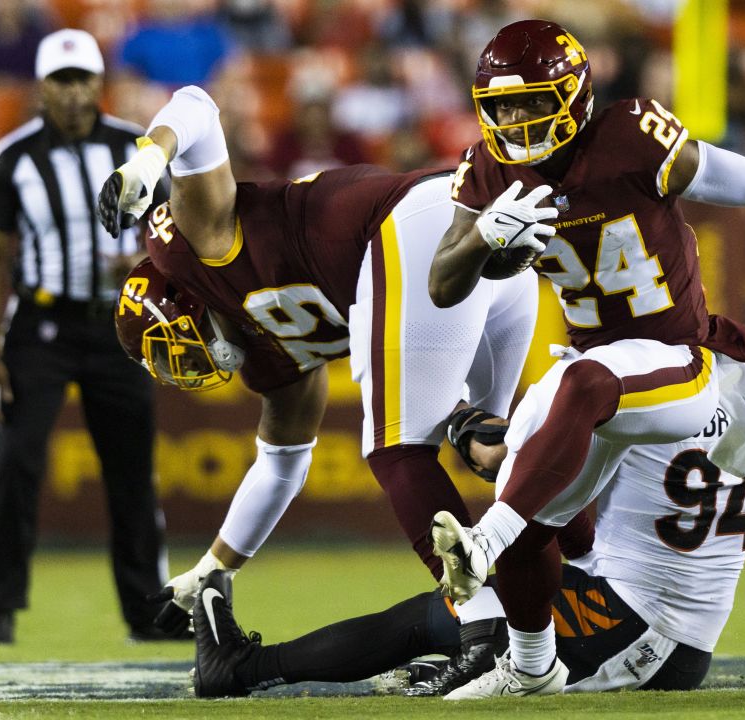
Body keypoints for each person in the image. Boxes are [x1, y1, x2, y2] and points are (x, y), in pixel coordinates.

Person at [425, 19, 745, 698]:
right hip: (604, 365)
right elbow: (442, 285)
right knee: (541, 520)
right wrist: (481, 236)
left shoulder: (628, 137)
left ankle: (485, 540)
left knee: (575, 387)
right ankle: (531, 667)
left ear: (573, 92)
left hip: (678, 364)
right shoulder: (486, 167)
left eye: (534, 100)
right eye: (504, 105)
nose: (517, 118)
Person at [97, 84, 537, 688]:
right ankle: (590, 580)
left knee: (396, 447)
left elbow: (196, 106)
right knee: (495, 454)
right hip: (473, 243)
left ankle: (483, 629)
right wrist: (216, 567)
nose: (185, 364)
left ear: (187, 298)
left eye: (174, 344)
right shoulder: (271, 360)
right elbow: (280, 466)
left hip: (420, 228)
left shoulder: (198, 244)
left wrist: (147, 159)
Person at [187, 357, 745, 698]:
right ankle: (255, 666)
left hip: (634, 632)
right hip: (667, 626)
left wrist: (462, 423)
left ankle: (247, 669)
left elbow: (508, 470)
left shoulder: (626, 385)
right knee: (474, 603)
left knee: (467, 604)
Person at [0, 29, 174, 645]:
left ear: (98, 82)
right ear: (42, 86)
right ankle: (0, 607)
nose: (72, 93)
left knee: (132, 470)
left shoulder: (133, 148)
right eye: (61, 81)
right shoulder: (12, 157)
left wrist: (142, 264)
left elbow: (174, 230)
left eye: (82, 79)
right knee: (17, 461)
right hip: (40, 325)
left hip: (119, 325)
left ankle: (148, 611)